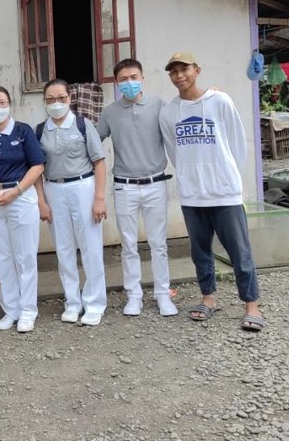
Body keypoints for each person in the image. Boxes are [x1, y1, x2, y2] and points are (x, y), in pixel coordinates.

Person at [158, 52, 264, 332]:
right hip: (192, 195)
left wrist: (228, 177)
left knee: (239, 251)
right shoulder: (169, 112)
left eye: (184, 69)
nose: (179, 76)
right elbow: (174, 151)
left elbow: (237, 142)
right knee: (200, 251)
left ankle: (251, 305)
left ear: (197, 70)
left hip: (225, 192)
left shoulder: (220, 101)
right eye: (173, 72)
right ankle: (209, 298)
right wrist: (193, 175)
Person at [97, 59, 178, 317]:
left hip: (156, 183)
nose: (129, 83)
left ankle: (163, 294)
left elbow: (176, 130)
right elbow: (93, 142)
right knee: (128, 245)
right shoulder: (109, 112)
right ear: (116, 83)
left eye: (133, 77)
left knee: (158, 243)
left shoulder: (158, 105)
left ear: (142, 78)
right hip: (124, 187)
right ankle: (134, 295)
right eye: (123, 79)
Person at [35, 79, 108, 327]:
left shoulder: (82, 124)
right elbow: (37, 169)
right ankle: (72, 302)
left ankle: (95, 303)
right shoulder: (39, 131)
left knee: (90, 246)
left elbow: (99, 162)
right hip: (53, 188)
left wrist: (99, 198)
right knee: (64, 249)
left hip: (83, 186)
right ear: (44, 101)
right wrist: (41, 201)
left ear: (69, 99)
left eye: (61, 98)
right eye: (50, 99)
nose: (56, 103)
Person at [0, 85, 45, 333]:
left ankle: (27, 311)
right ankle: (10, 309)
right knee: (2, 257)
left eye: (2, 103)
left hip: (21, 196)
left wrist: (16, 191)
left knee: (24, 257)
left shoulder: (24, 131)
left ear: (10, 104)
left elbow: (37, 166)